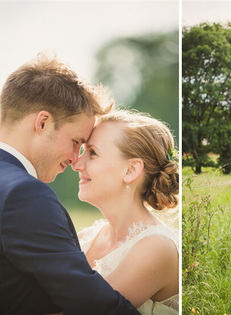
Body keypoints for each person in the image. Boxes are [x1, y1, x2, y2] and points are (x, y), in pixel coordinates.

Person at [0, 55, 139, 314]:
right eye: (76, 142)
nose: (76, 159)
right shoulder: (24, 194)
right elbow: (92, 304)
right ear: (42, 123)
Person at [73, 109, 179, 314]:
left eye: (92, 153)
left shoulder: (157, 248)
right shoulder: (88, 236)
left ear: (130, 170)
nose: (77, 163)